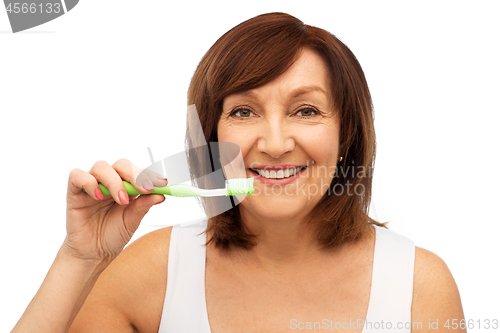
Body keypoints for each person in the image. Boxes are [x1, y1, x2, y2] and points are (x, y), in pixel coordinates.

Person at [13, 12, 465, 333]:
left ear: (346, 135)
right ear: (210, 138)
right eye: (244, 111)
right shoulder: (150, 274)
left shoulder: (418, 287)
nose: (273, 143)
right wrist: (80, 261)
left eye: (306, 110)